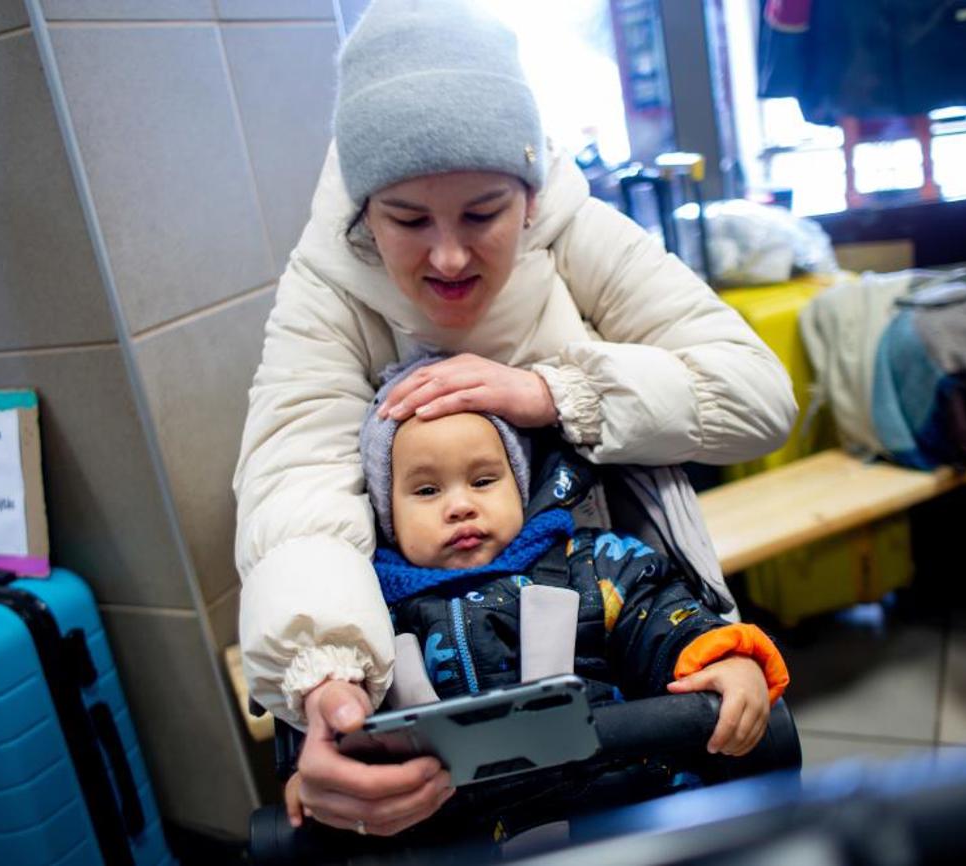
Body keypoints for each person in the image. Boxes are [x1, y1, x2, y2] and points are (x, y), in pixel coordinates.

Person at [233, 0, 796, 838]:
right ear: (361, 212)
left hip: (624, 623)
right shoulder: (326, 289)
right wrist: (325, 678)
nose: (450, 257)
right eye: (409, 220)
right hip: (431, 658)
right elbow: (296, 493)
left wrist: (551, 394)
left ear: (530, 197)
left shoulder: (581, 233)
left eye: (484, 212)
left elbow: (758, 395)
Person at [280, 356, 790, 838]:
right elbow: (341, 711)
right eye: (427, 491)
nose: (460, 506)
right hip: (462, 838)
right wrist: (324, 776)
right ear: (388, 514)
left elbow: (661, 614)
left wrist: (727, 658)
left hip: (627, 810)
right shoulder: (369, 614)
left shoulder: (591, 565)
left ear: (520, 485)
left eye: (483, 480)